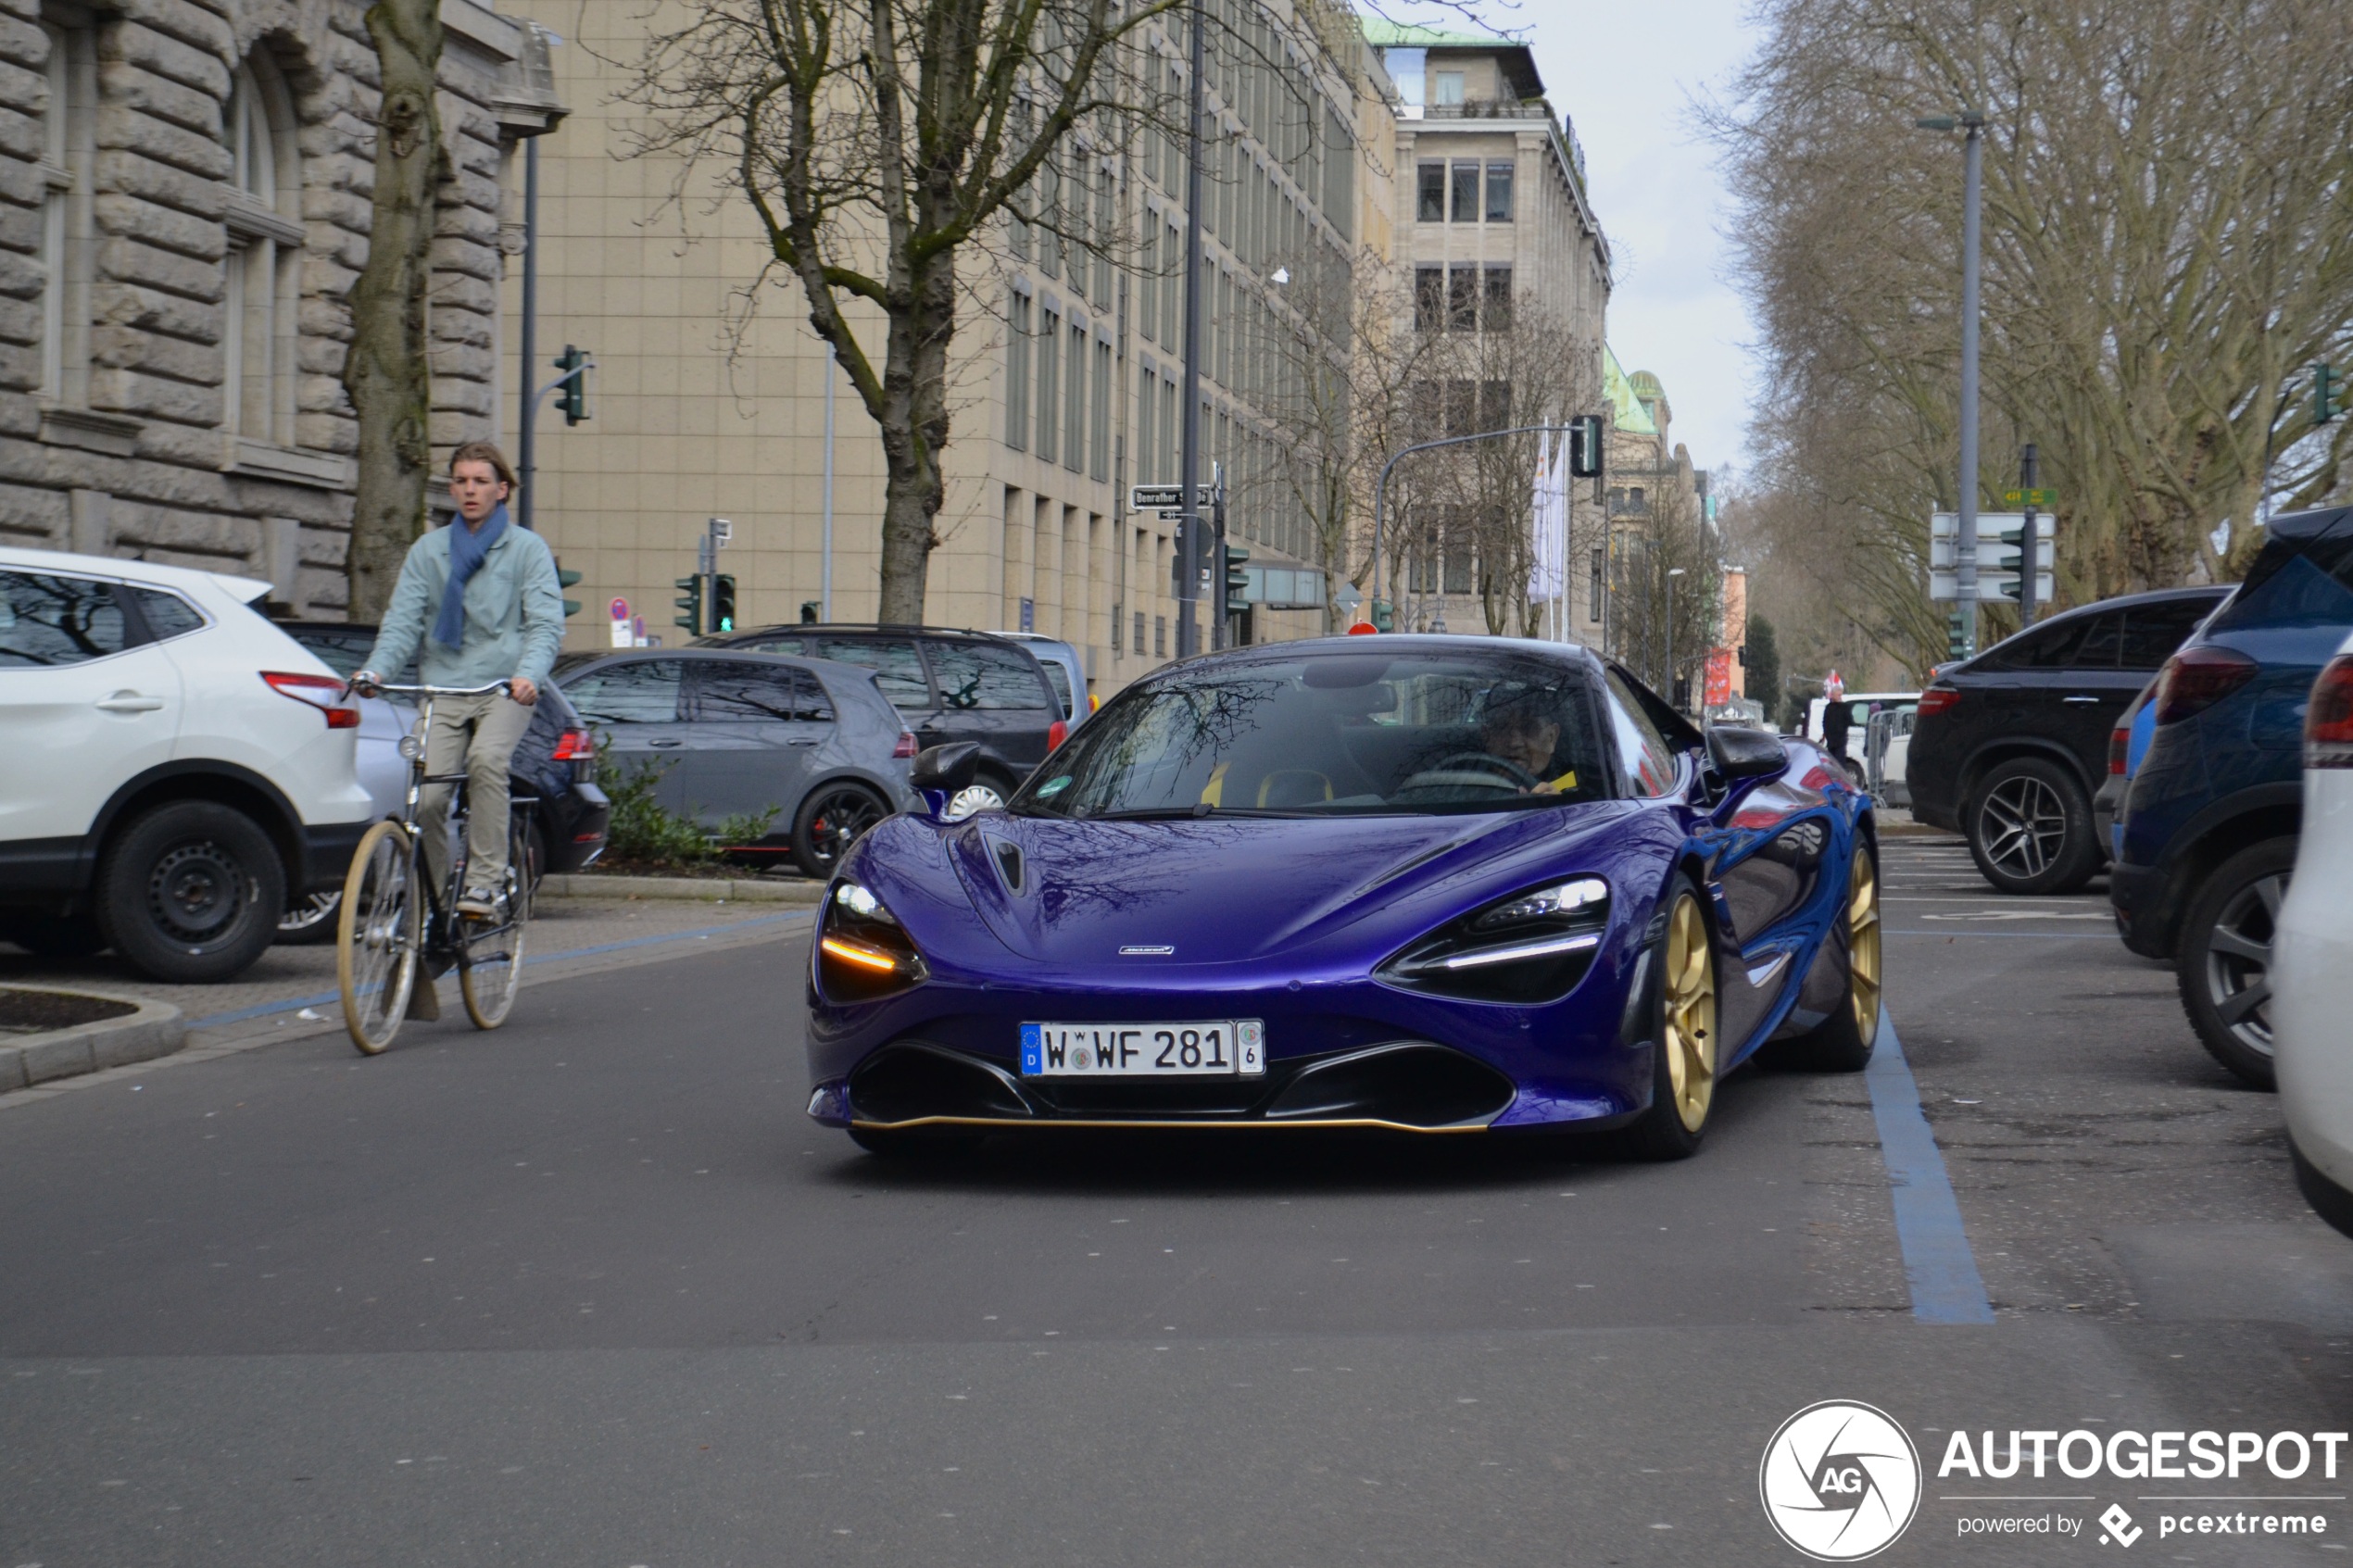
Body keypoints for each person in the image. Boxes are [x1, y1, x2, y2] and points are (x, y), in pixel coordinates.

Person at [355, 442, 562, 930]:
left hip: (502, 689)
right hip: (445, 689)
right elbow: (403, 623)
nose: (470, 490)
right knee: (427, 799)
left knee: (486, 760)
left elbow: (545, 625)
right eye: (462, 481)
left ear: (501, 490)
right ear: (452, 488)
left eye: (481, 481)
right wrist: (376, 670)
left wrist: (528, 676)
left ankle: (485, 881)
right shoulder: (428, 552)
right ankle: (433, 901)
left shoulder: (525, 549)